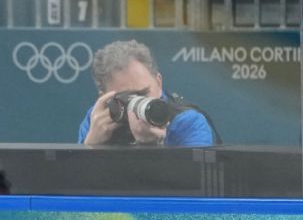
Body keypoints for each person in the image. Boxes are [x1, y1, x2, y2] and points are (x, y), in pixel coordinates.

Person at [78, 40, 218, 147]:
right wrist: (91, 145)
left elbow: (193, 181)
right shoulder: (98, 120)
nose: (135, 104)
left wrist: (151, 146)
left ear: (158, 83)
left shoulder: (187, 122)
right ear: (104, 97)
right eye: (125, 99)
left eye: (143, 93)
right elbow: (75, 182)